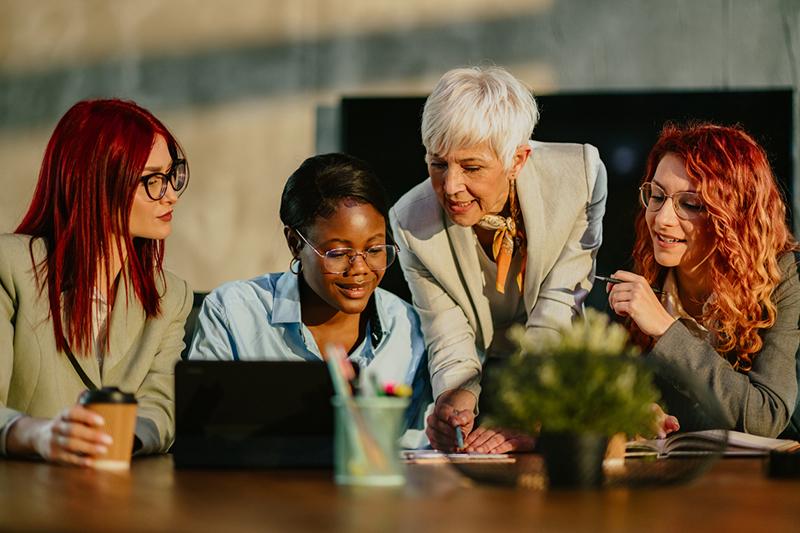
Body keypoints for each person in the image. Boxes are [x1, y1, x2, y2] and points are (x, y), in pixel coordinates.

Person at [389, 66, 607, 452]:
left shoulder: (580, 177)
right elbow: (445, 328)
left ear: (518, 160)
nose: (451, 187)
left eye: (471, 167)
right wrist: (454, 398)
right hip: (481, 370)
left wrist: (528, 408)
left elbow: (559, 305)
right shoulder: (410, 222)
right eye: (438, 164)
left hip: (553, 373)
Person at [0, 99, 193, 466]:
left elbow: (161, 406)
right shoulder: (9, 267)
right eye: (152, 180)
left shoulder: (171, 296)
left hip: (121, 495)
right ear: (96, 182)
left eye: (172, 175)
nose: (171, 194)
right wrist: (38, 435)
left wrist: (111, 442)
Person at [188, 153, 431, 445]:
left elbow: (415, 450)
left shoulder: (408, 327)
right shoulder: (233, 312)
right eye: (338, 253)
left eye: (375, 250)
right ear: (294, 243)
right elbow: (201, 434)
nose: (360, 269)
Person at [607, 122, 800, 438]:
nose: (662, 218)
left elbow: (767, 416)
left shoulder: (780, 279)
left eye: (690, 204)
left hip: (759, 480)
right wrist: (630, 408)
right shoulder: (642, 274)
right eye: (656, 196)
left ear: (735, 216)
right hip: (671, 474)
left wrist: (667, 331)